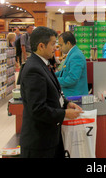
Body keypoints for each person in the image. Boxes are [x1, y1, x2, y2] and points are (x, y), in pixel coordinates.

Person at [20, 26, 82, 158]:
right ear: (41, 46)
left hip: (49, 138)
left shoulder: (43, 64)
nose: (56, 48)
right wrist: (64, 113)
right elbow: (37, 109)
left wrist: (66, 104)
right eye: (53, 44)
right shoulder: (33, 70)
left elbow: (53, 91)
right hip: (39, 143)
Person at [56, 31, 88, 97]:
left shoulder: (76, 56)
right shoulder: (72, 54)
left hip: (75, 97)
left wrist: (54, 80)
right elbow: (64, 72)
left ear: (68, 43)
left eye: (61, 45)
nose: (60, 48)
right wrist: (51, 75)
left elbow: (72, 79)